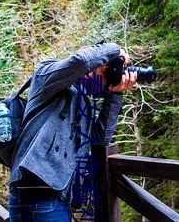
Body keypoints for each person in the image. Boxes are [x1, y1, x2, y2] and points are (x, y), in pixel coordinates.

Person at [9, 42, 137, 222]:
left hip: (56, 198)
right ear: (98, 65)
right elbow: (81, 61)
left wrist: (114, 95)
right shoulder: (47, 73)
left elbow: (100, 140)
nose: (107, 84)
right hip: (40, 195)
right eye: (108, 75)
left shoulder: (83, 101)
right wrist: (115, 50)